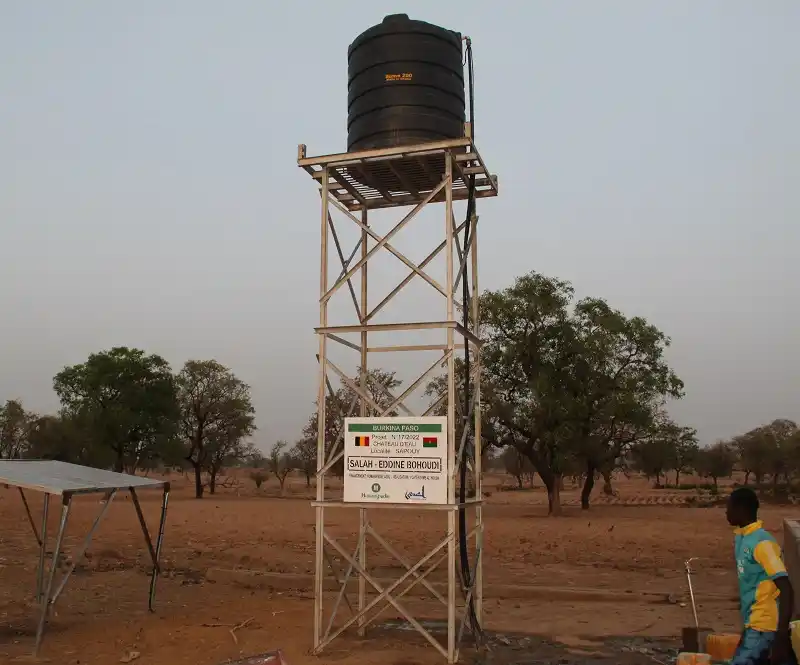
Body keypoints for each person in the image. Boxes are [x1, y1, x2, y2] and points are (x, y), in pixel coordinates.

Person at [726, 487, 796, 665]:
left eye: (729, 507)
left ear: (741, 509)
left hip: (764, 626)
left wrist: (781, 635)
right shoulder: (742, 538)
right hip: (754, 624)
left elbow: (786, 588)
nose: (726, 512)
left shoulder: (762, 543)